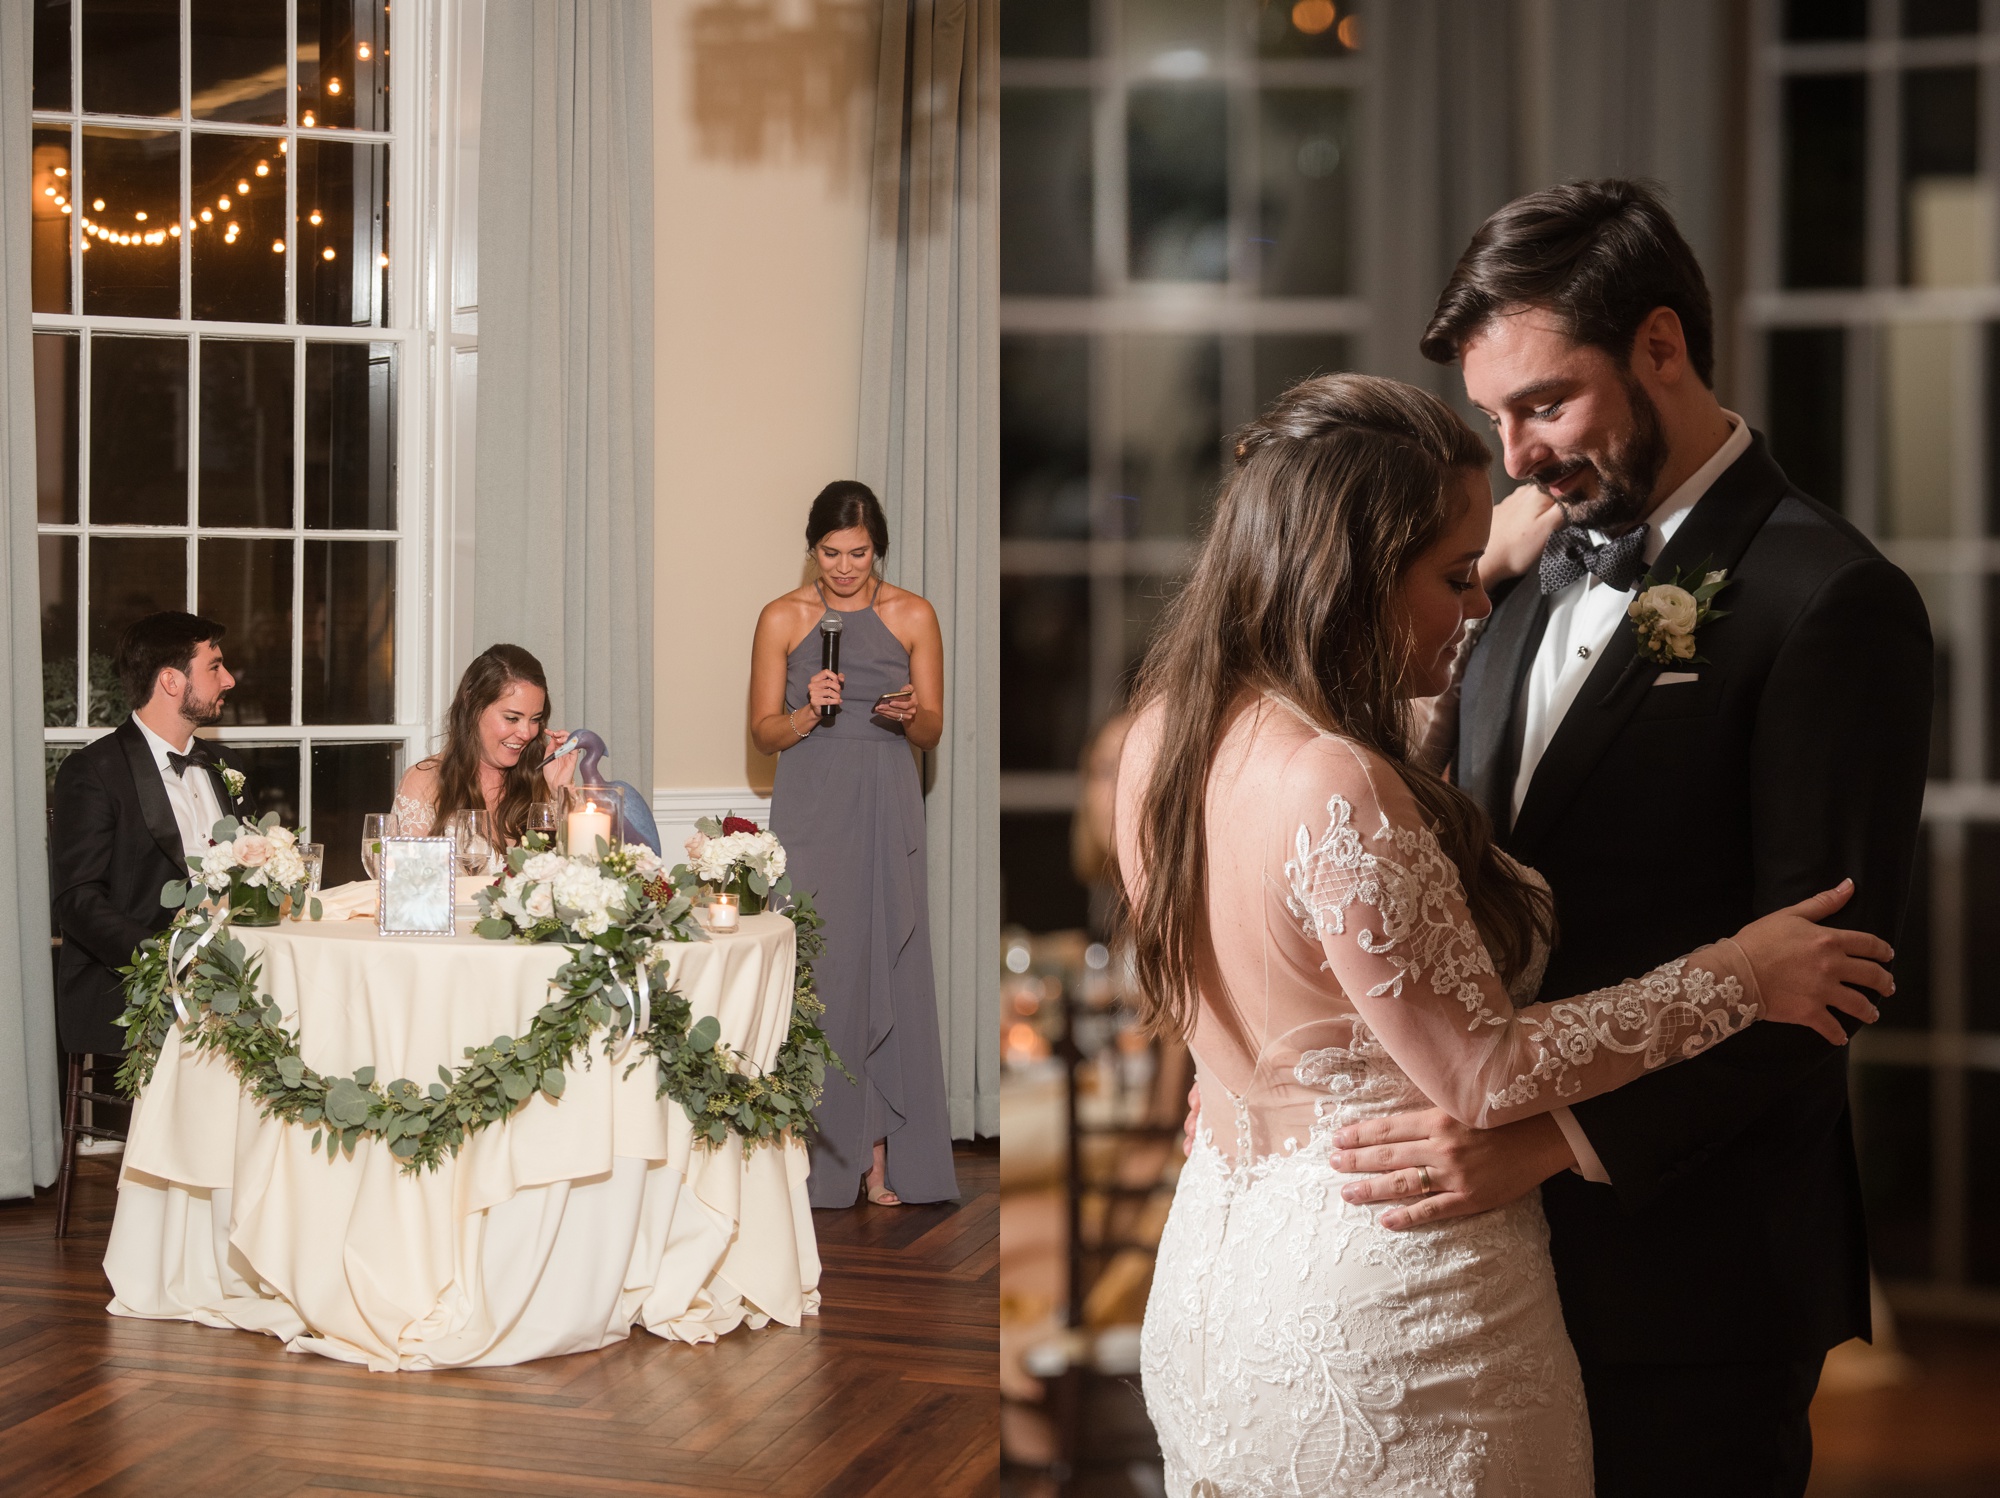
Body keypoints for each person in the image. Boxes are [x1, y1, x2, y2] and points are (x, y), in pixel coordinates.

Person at [1118, 373, 1895, 1496]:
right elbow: (1481, 1072)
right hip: (1395, 1323)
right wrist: (1738, 973)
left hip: (1218, 1289)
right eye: (1448, 577)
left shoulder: (1160, 740)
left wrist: (1469, 557)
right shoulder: (1332, 784)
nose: (1477, 604)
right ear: (1351, 579)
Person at [1326, 181, 1933, 1497]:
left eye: (1545, 403)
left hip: (1697, 1271)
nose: (1517, 453)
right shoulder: (1515, 569)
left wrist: (1543, 1142)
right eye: (1495, 418)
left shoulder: (1830, 599)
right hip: (1496, 1259)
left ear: (1662, 345)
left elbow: (1828, 976)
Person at [749, 480, 959, 1209]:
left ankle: (879, 1161)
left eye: (859, 554)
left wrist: (907, 715)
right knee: (820, 973)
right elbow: (763, 733)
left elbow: (933, 728)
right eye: (831, 553)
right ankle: (807, 1155)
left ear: (880, 548)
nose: (844, 568)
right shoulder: (781, 617)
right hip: (809, 805)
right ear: (813, 548)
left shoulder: (913, 615)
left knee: (885, 968)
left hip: (885, 800)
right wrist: (808, 711)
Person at [52, 612, 253, 1057]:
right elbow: (78, 901)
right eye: (215, 667)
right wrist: (166, 957)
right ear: (170, 681)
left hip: (233, 978)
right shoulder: (94, 773)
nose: (230, 680)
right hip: (129, 987)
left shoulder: (225, 765)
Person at [394, 644, 572, 843]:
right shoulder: (426, 783)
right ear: (472, 704)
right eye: (512, 718)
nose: (526, 733)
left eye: (535, 719)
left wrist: (561, 792)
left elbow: (587, 866)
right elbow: (407, 872)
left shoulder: (543, 782)